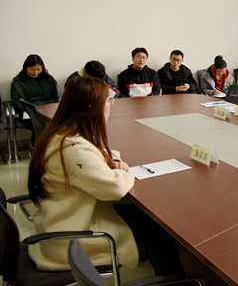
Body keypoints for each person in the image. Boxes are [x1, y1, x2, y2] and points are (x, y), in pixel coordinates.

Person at [27, 76, 186, 276]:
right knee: (154, 226)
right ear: (93, 106)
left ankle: (166, 271)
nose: (111, 104)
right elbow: (115, 188)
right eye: (109, 100)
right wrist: (124, 171)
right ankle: (176, 279)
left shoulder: (62, 134)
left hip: (63, 221)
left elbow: (99, 153)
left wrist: (112, 161)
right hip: (71, 239)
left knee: (143, 218)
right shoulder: (74, 150)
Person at [11, 55, 59, 143]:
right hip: (27, 112)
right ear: (26, 68)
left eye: (38, 69)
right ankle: (37, 147)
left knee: (56, 123)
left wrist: (44, 108)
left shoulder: (48, 80)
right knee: (38, 124)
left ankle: (47, 147)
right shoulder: (18, 81)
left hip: (46, 111)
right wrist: (31, 109)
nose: (35, 72)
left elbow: (54, 97)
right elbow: (15, 101)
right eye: (32, 70)